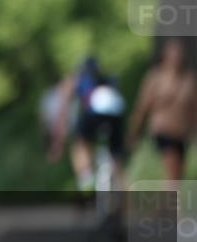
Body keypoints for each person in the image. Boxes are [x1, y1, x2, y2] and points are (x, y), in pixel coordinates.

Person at [49, 57, 127, 193]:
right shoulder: (107, 79)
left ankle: (86, 177)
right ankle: (123, 194)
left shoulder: (78, 79)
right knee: (116, 156)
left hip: (94, 114)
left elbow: (64, 107)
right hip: (116, 114)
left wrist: (58, 141)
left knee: (79, 141)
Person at [128, 38, 197, 189]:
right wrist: (134, 132)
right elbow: (143, 107)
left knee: (178, 175)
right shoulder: (155, 77)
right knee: (172, 170)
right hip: (162, 130)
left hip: (182, 133)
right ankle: (171, 209)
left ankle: (166, 206)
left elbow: (193, 108)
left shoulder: (188, 79)